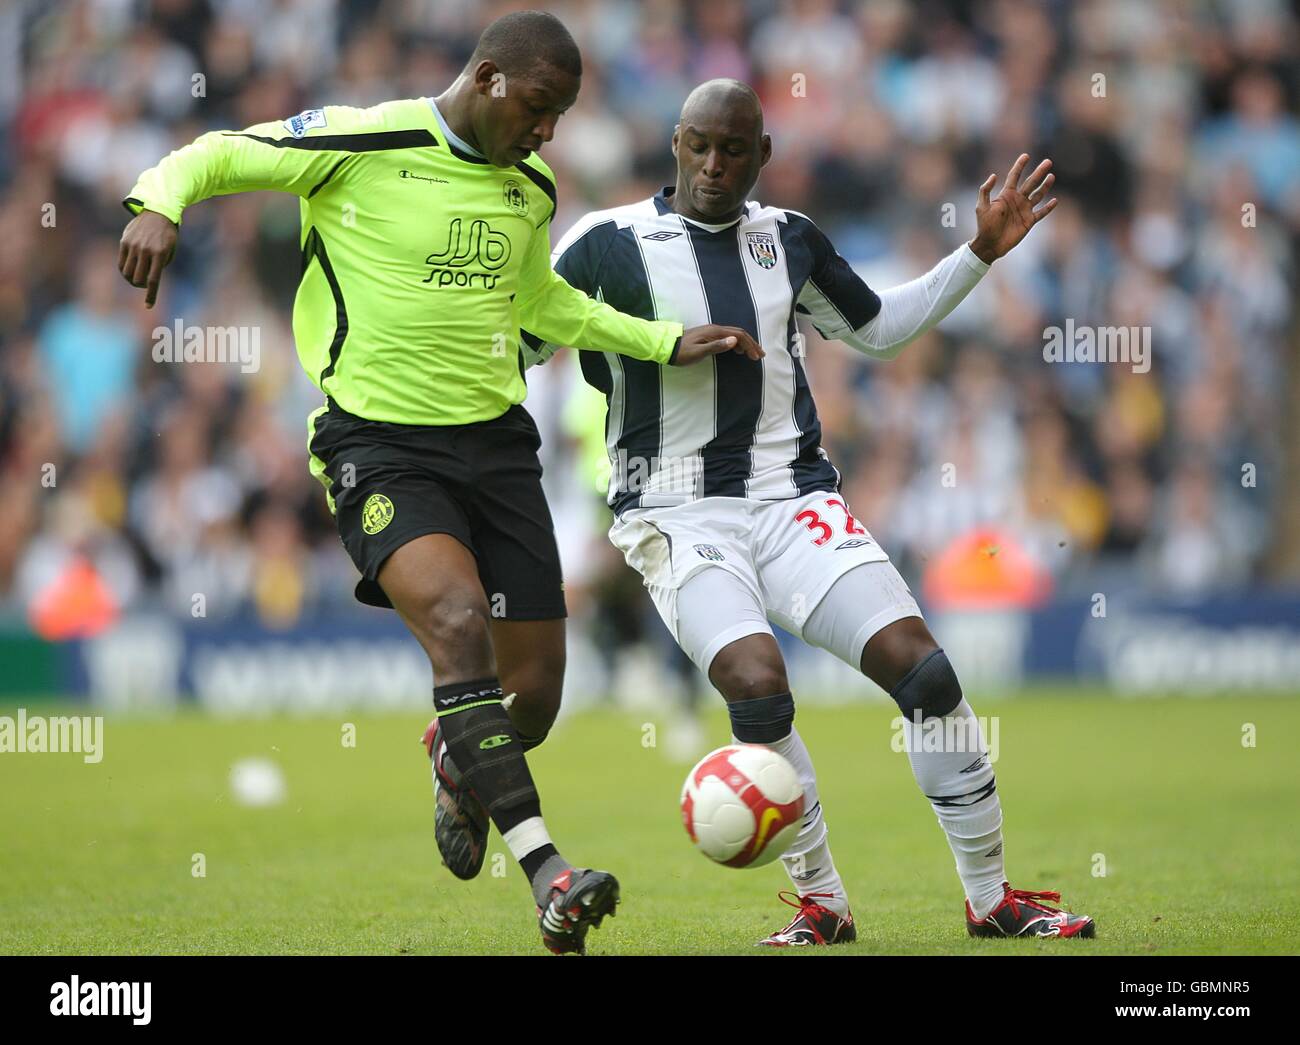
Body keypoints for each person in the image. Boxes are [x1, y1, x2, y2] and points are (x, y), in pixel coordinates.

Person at [116, 14, 761, 956]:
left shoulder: (530, 186)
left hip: (497, 451)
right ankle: (551, 875)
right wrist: (155, 203)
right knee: (459, 625)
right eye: (540, 109)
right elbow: (218, 152)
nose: (548, 134)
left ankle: (457, 756)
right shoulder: (364, 140)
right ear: (491, 78)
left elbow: (540, 301)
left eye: (562, 117)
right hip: (377, 446)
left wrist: (663, 340)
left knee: (533, 694)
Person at [523, 79, 1095, 945]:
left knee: (927, 673)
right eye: (700, 145)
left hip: (793, 497)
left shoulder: (789, 240)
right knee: (757, 683)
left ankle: (992, 901)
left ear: (763, 157)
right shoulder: (604, 244)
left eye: (735, 149)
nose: (715, 164)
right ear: (675, 145)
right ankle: (823, 903)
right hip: (676, 514)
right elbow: (522, 339)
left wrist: (978, 251)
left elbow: (879, 328)